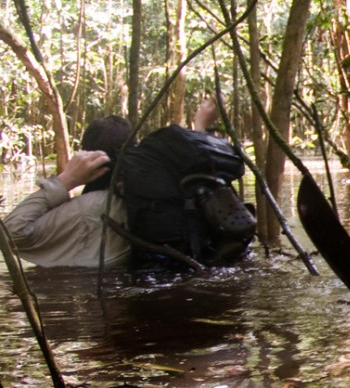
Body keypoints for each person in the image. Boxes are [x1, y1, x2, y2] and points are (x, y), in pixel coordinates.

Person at [3, 100, 222, 268]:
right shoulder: (171, 192)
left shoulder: (89, 210)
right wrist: (201, 127)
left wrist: (65, 180)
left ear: (89, 157)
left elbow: (10, 235)